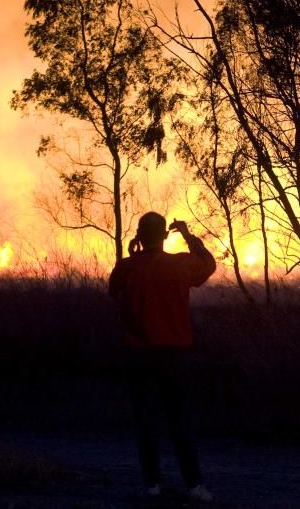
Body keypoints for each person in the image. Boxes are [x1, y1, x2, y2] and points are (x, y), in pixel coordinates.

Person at [108, 212, 216, 502]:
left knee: (145, 419)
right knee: (180, 419)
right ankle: (194, 484)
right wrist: (188, 234)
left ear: (140, 236)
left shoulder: (127, 267)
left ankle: (152, 484)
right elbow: (208, 264)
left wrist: (132, 256)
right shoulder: (181, 265)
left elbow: (114, 293)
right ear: (165, 235)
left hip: (139, 355)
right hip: (175, 354)